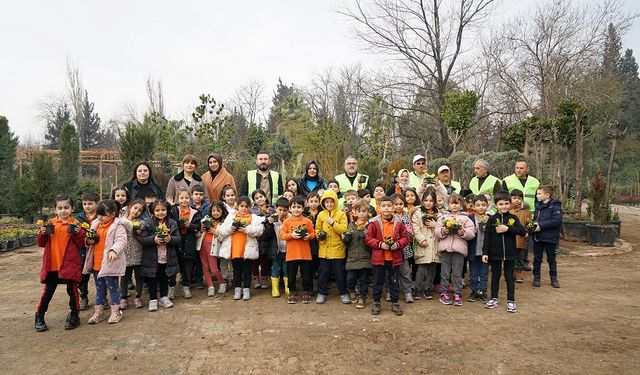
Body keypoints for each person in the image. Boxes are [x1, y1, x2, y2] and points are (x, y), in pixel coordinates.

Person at [34, 195, 85, 332]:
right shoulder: (50, 224)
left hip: (70, 264)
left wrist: (79, 233)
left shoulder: (75, 224)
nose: (63, 211)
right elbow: (41, 244)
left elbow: (81, 244)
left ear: (72, 208)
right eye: (60, 208)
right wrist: (42, 233)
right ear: (55, 209)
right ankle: (39, 316)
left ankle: (74, 315)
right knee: (48, 291)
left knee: (72, 290)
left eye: (66, 208)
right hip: (52, 265)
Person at [83, 200, 127, 324]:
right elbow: (89, 239)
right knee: (100, 288)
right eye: (98, 214)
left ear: (113, 214)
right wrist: (88, 241)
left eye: (103, 215)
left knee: (113, 288)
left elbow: (121, 240)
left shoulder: (118, 226)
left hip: (110, 263)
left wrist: (114, 250)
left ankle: (116, 312)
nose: (100, 217)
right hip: (97, 263)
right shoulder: (95, 224)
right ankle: (99, 312)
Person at [365, 196, 410, 316]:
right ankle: (376, 302)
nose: (386, 208)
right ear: (378, 208)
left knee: (394, 281)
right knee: (378, 281)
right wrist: (380, 244)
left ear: (393, 207)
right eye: (383, 206)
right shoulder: (374, 222)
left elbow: (405, 237)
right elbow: (368, 238)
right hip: (379, 257)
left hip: (394, 257)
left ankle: (395, 302)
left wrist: (398, 244)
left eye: (389, 206)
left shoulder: (399, 221)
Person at [482, 192, 526, 313]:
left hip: (510, 254)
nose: (504, 206)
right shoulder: (491, 219)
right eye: (501, 204)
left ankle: (511, 300)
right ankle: (494, 298)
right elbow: (487, 237)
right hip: (494, 253)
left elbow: (522, 231)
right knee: (495, 276)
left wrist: (508, 229)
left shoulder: (513, 218)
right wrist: (485, 252)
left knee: (509, 277)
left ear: (510, 204)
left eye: (506, 203)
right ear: (495, 205)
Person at [217, 196, 265, 301]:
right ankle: (237, 289)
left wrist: (247, 229)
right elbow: (221, 230)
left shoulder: (254, 218)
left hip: (247, 249)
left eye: (246, 206)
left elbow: (259, 230)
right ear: (237, 206)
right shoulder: (231, 217)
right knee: (236, 270)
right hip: (235, 249)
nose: (244, 208)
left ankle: (247, 289)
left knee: (247, 271)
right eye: (241, 206)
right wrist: (231, 229)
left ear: (250, 207)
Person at [435, 193, 475, 306]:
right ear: (448, 204)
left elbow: (472, 233)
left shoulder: (465, 218)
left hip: (459, 250)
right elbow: (437, 231)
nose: (454, 206)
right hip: (445, 249)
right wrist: (444, 231)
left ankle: (457, 293)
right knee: (445, 273)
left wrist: (463, 232)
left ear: (461, 204)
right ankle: (444, 293)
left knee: (457, 273)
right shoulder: (443, 217)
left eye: (457, 203)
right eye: (452, 203)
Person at [139, 200, 181, 312]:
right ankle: (153, 299)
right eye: (157, 210)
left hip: (167, 257)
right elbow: (142, 239)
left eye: (163, 210)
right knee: (152, 278)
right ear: (152, 212)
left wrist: (170, 238)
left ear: (167, 210)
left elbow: (178, 238)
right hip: (152, 258)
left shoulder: (171, 223)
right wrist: (153, 239)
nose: (160, 212)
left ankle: (163, 297)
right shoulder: (148, 223)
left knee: (164, 277)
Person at [315, 189, 349, 304]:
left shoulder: (341, 214)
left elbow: (343, 229)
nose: (329, 204)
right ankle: (321, 293)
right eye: (326, 202)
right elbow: (317, 228)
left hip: (338, 250)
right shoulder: (321, 214)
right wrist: (319, 235)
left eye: (331, 201)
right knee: (323, 273)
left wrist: (333, 223)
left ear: (335, 202)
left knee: (340, 273)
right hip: (324, 250)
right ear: (323, 203)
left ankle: (343, 292)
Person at [281, 195, 316, 304]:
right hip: (291, 254)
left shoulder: (307, 221)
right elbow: (282, 235)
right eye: (294, 207)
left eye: (299, 207)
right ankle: (292, 292)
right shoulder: (287, 221)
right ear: (290, 208)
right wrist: (291, 235)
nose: (296, 209)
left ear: (303, 208)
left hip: (305, 254)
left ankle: (306, 292)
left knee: (306, 275)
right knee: (291, 276)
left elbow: (313, 233)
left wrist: (308, 237)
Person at [170, 188, 203, 299]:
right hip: (176, 241)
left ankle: (186, 286)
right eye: (182, 198)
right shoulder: (173, 210)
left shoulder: (195, 212)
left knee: (188, 264)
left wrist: (191, 226)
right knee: (174, 264)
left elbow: (198, 226)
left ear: (191, 198)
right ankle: (172, 287)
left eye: (186, 198)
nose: (184, 200)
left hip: (189, 241)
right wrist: (179, 224)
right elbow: (170, 223)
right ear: (177, 199)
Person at [344, 199, 373, 309]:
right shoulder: (351, 225)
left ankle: (362, 297)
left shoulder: (370, 225)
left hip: (365, 257)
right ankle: (351, 290)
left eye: (364, 211)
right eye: (359, 211)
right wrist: (346, 238)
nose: (361, 213)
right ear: (355, 212)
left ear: (367, 212)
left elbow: (372, 242)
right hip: (352, 257)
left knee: (364, 279)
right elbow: (347, 243)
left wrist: (366, 236)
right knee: (350, 278)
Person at [412, 190, 441, 300]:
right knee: (422, 268)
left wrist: (436, 224)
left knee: (432, 268)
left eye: (431, 201)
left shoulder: (439, 214)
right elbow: (415, 228)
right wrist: (421, 239)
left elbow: (443, 226)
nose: (428, 203)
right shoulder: (418, 213)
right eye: (425, 200)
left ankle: (428, 288)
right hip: (423, 245)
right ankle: (418, 289)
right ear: (422, 201)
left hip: (435, 245)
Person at [532, 186, 563, 288]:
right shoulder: (538, 206)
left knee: (551, 259)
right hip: (538, 237)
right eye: (537, 193)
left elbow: (556, 221)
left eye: (539, 194)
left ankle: (554, 278)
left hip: (551, 238)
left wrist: (541, 225)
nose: (537, 196)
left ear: (547, 195)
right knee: (537, 259)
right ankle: (536, 278)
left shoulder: (555, 206)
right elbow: (535, 219)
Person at [119, 199, 147, 309]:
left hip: (138, 252)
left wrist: (125, 222)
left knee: (139, 276)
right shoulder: (120, 220)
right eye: (135, 208)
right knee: (125, 277)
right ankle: (123, 297)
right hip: (124, 253)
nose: (136, 211)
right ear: (130, 207)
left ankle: (138, 296)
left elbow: (135, 230)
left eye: (140, 210)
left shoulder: (141, 222)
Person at [75, 191, 99, 311]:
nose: (87, 206)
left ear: (97, 203)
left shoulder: (102, 215)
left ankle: (102, 297)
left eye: (90, 203)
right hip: (82, 250)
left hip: (98, 248)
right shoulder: (77, 218)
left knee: (98, 273)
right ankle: (83, 296)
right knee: (82, 275)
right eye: (84, 204)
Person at [199, 200, 229, 297]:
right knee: (205, 268)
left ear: (222, 211)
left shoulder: (223, 223)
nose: (215, 213)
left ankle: (222, 283)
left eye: (218, 211)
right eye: (213, 211)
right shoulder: (206, 219)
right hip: (202, 245)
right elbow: (198, 234)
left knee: (214, 268)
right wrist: (201, 229)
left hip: (213, 247)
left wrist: (214, 231)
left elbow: (223, 238)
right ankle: (210, 286)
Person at [390, 194, 415, 303]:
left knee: (405, 271)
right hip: (391, 248)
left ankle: (407, 292)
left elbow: (410, 229)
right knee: (390, 272)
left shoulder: (406, 215)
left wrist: (409, 231)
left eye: (401, 204)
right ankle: (389, 292)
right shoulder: (388, 216)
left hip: (403, 248)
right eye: (396, 204)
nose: (398, 206)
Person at [466, 195, 490, 303]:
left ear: (487, 206)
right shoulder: (470, 218)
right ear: (474, 207)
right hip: (473, 250)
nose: (481, 207)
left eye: (483, 205)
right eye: (478, 205)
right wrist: (472, 231)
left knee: (484, 273)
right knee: (474, 273)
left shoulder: (490, 218)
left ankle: (483, 292)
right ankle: (474, 291)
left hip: (485, 251)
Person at [250, 189, 275, 289]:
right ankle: (255, 277)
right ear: (254, 200)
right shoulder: (252, 211)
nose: (259, 199)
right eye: (256, 198)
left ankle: (264, 278)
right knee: (254, 259)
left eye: (261, 197)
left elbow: (273, 221)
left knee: (264, 259)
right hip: (255, 238)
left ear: (265, 197)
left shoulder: (271, 209)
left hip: (267, 238)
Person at [509, 189, 532, 283]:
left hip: (522, 239)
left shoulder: (526, 211)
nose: (517, 200)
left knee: (520, 258)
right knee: (511, 258)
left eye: (519, 198)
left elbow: (529, 223)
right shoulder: (508, 210)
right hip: (510, 239)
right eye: (514, 198)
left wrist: (528, 231)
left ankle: (518, 274)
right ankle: (510, 273)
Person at [270, 197, 290, 297]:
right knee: (276, 269)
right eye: (280, 210)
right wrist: (269, 224)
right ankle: (275, 288)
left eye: (285, 210)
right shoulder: (272, 219)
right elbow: (267, 234)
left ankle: (287, 287)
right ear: (275, 208)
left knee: (287, 269)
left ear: (288, 209)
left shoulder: (291, 219)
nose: (282, 212)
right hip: (276, 250)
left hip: (288, 250)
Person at [303, 193, 321, 279]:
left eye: (316, 201)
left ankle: (317, 274)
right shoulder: (304, 213)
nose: (313, 203)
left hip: (319, 240)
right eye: (311, 201)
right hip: (308, 240)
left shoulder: (322, 212)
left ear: (319, 202)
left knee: (318, 258)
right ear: (307, 202)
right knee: (309, 260)